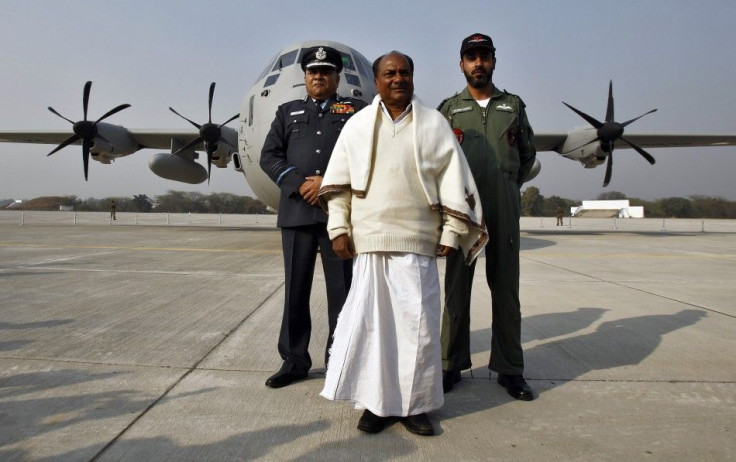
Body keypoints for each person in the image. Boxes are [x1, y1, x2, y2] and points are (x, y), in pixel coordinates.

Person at [318, 51, 487, 436]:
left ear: (413, 77)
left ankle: (416, 406)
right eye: (390, 73)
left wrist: (450, 232)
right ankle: (377, 406)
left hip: (417, 242)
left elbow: (453, 181)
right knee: (374, 328)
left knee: (419, 329)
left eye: (405, 72)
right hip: (370, 241)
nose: (398, 79)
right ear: (376, 81)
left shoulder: (434, 123)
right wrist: (338, 229)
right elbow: (339, 185)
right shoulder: (358, 125)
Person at [260, 46, 367, 389]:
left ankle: (340, 360)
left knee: (343, 291)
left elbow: (366, 155)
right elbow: (270, 156)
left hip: (339, 214)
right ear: (305, 77)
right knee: (295, 289)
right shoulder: (286, 112)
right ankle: (294, 360)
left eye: (326, 71)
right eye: (312, 72)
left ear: (337, 78)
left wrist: (327, 183)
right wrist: (298, 184)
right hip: (297, 213)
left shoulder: (356, 111)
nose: (318, 76)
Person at [438, 33, 537, 400]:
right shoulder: (448, 109)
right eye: (471, 57)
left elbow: (527, 155)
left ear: (494, 60)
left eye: (484, 56)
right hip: (463, 208)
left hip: (503, 204)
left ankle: (510, 369)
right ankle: (450, 364)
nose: (478, 63)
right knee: (456, 288)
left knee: (506, 287)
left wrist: (506, 185)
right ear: (461, 63)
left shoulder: (513, 106)